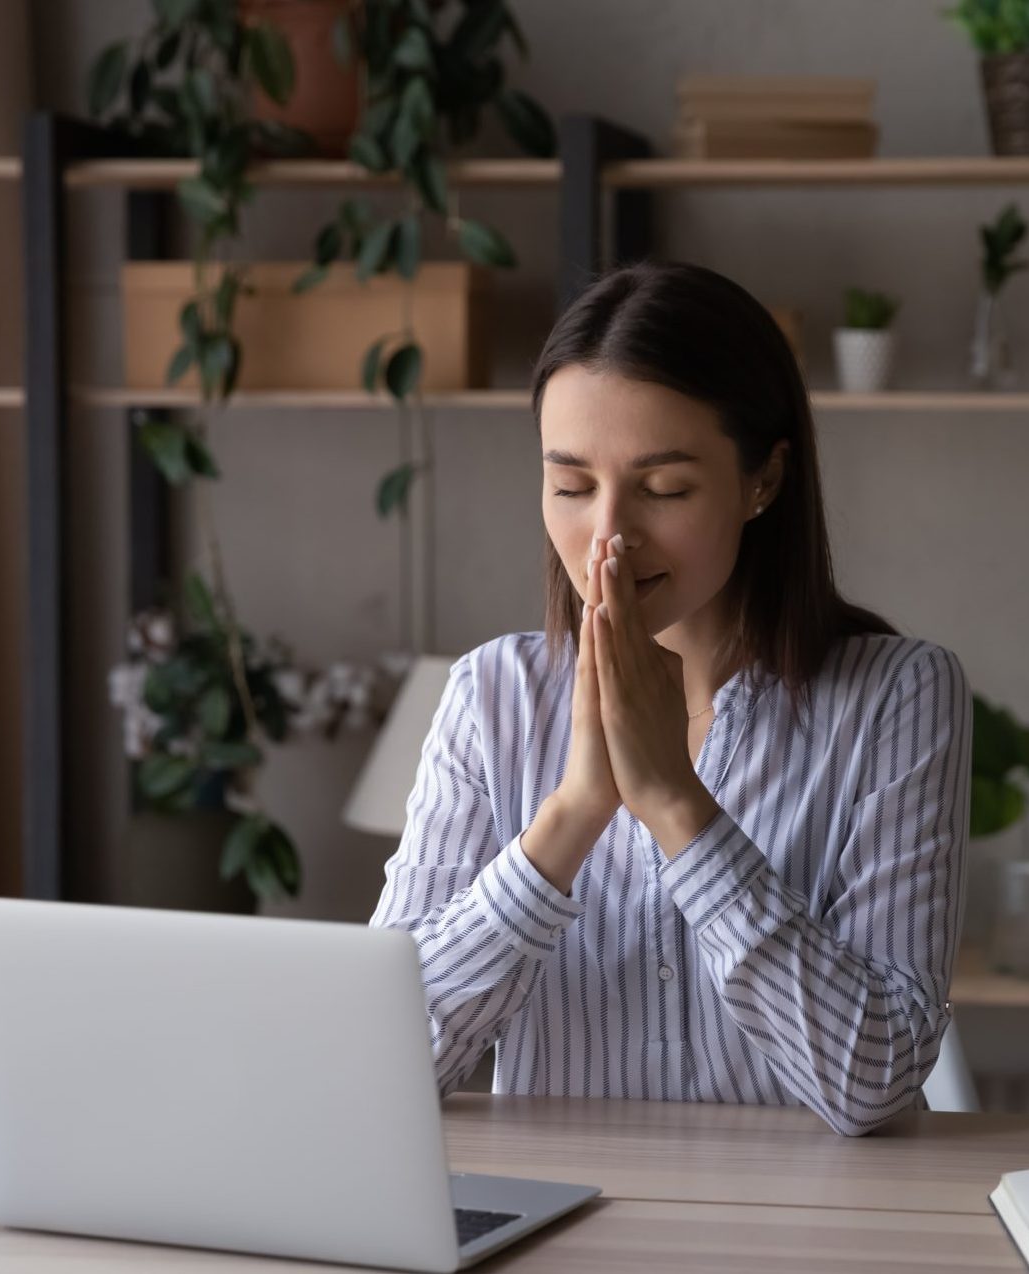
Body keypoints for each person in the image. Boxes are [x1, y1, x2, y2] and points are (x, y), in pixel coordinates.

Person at [370, 259, 971, 1137]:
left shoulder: (897, 697)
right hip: (557, 1226)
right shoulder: (489, 696)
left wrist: (673, 803)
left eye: (663, 489)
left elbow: (872, 1083)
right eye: (570, 486)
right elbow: (383, 1064)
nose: (606, 534)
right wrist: (573, 813)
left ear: (763, 480)